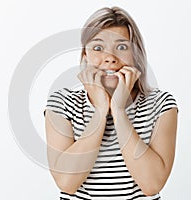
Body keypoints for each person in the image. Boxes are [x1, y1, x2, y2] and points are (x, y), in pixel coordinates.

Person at [44, 6, 178, 200]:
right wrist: (100, 111)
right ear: (85, 56)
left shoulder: (161, 104)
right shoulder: (62, 103)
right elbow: (67, 183)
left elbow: (152, 184)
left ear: (136, 55)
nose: (110, 58)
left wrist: (118, 110)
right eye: (98, 48)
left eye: (122, 47)